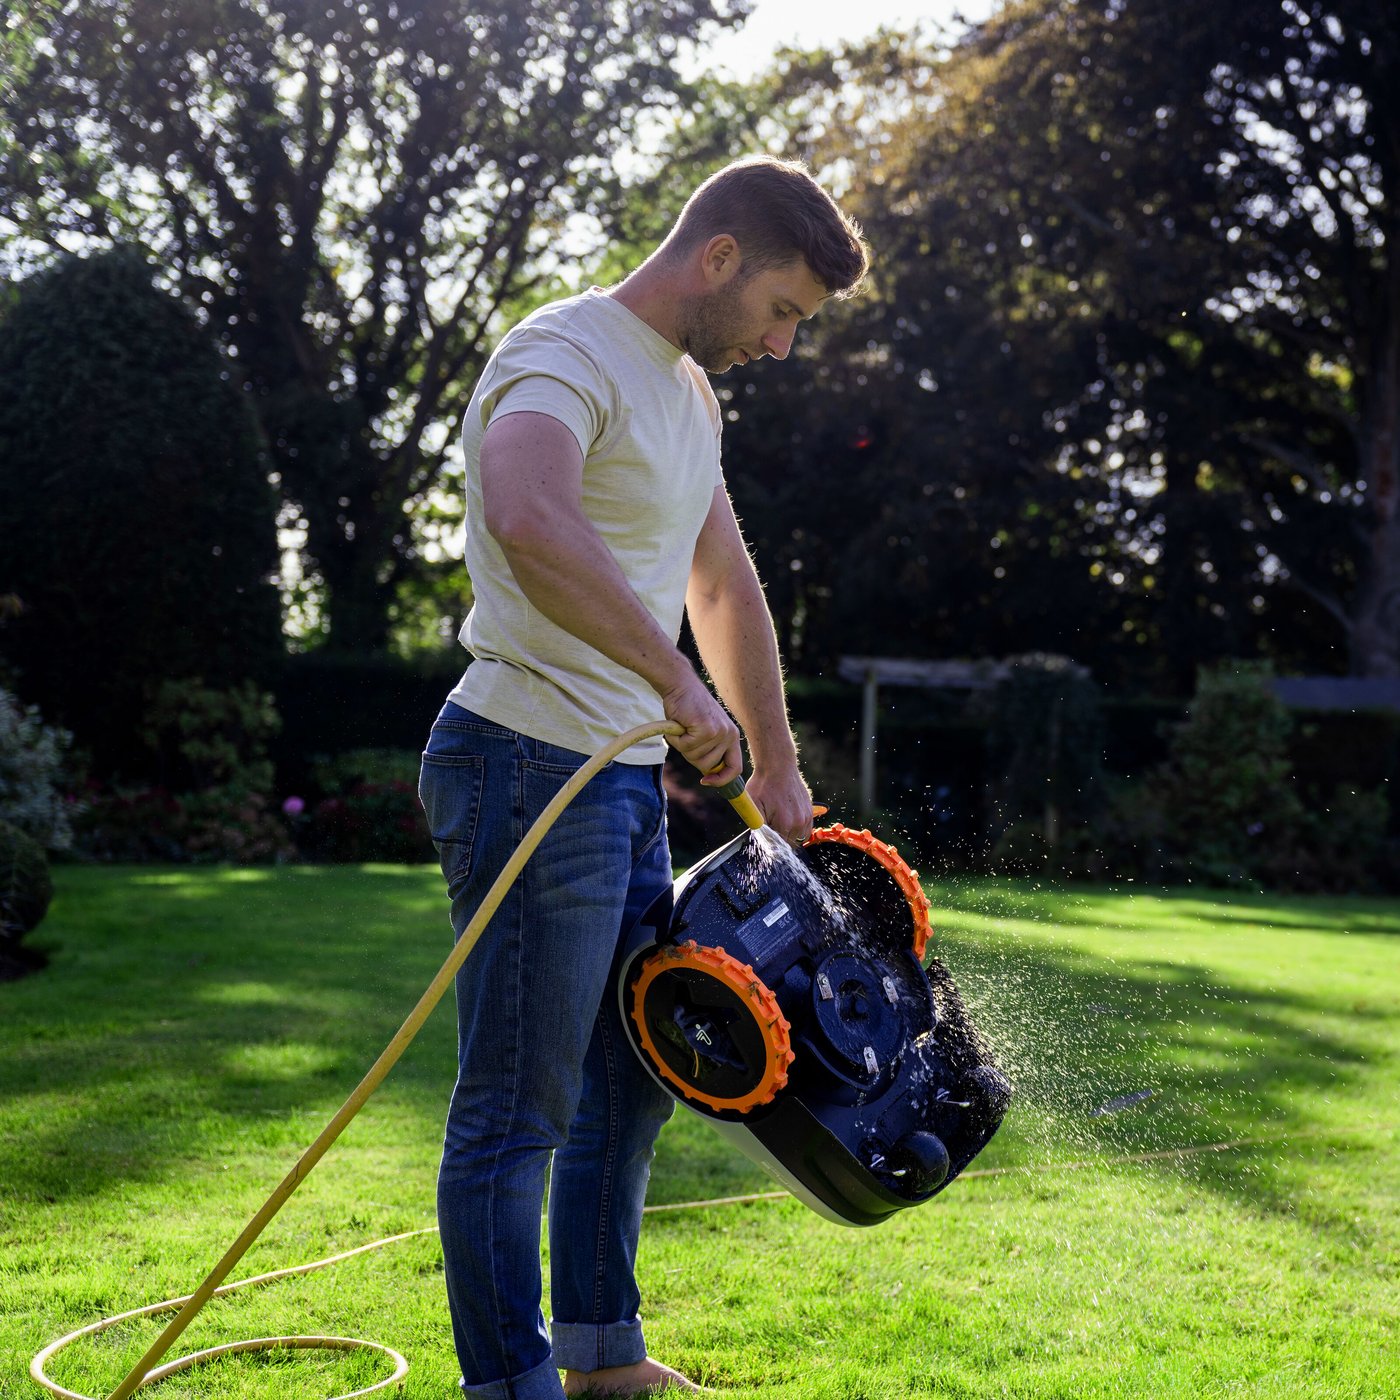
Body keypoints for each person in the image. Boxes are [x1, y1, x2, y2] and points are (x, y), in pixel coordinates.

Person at [419, 155, 869, 1399]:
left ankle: (601, 1353)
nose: (780, 344)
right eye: (780, 309)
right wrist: (675, 687)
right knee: (519, 1106)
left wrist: (777, 760)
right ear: (718, 256)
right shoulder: (561, 351)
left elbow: (718, 584)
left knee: (629, 1081)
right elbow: (525, 511)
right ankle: (508, 1382)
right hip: (524, 762)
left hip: (614, 781)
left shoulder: (686, 394)